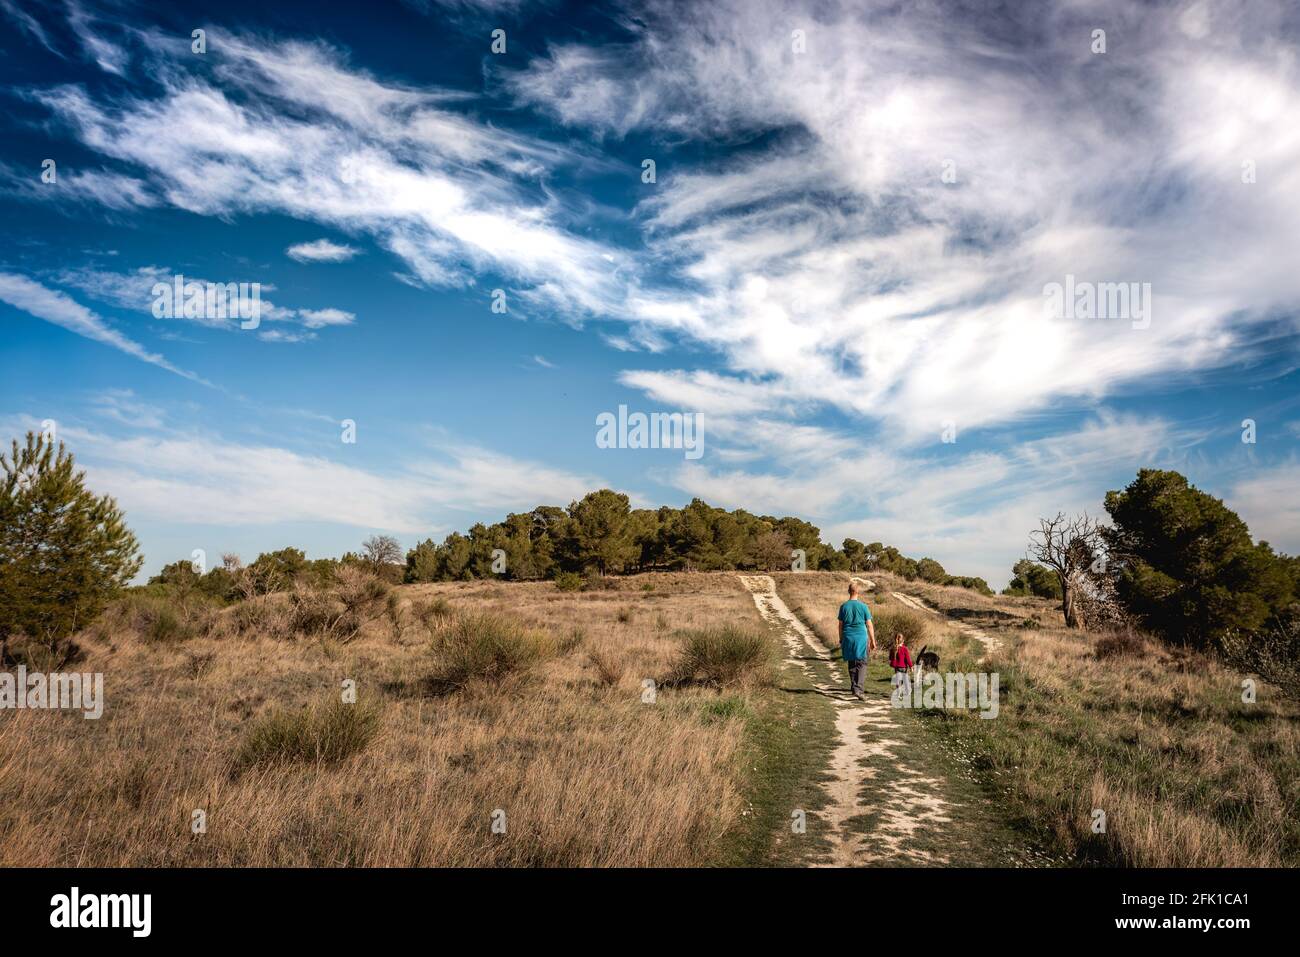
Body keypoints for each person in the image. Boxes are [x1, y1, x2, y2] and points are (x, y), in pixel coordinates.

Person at [837, 581, 875, 699]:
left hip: (848, 636)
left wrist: (841, 639)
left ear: (849, 591)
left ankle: (854, 687)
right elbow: (869, 625)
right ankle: (859, 689)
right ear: (858, 592)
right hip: (861, 638)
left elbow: (840, 625)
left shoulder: (843, 606)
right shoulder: (863, 606)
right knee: (862, 663)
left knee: (852, 662)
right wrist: (873, 640)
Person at [889, 632, 913, 702]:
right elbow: (908, 659)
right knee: (906, 681)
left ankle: (899, 694)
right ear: (903, 640)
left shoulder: (893, 649)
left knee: (898, 682)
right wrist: (911, 666)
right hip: (904, 668)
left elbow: (890, 658)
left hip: (897, 668)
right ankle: (908, 692)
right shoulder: (905, 649)